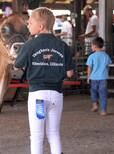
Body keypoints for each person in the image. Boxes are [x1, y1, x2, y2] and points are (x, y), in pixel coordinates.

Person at [15, 7, 74, 154]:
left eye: (30, 23)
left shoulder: (30, 45)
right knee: (53, 134)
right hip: (56, 96)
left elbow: (18, 64)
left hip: (38, 98)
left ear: (40, 26)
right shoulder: (62, 46)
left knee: (36, 136)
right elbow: (70, 73)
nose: (28, 25)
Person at [86, 37, 112, 116]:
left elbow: (89, 68)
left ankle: (95, 105)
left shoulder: (92, 56)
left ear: (94, 46)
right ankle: (103, 111)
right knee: (103, 94)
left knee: (93, 92)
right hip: (103, 78)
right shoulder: (106, 55)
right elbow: (108, 66)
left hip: (94, 78)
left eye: (91, 46)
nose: (91, 47)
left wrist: (88, 77)